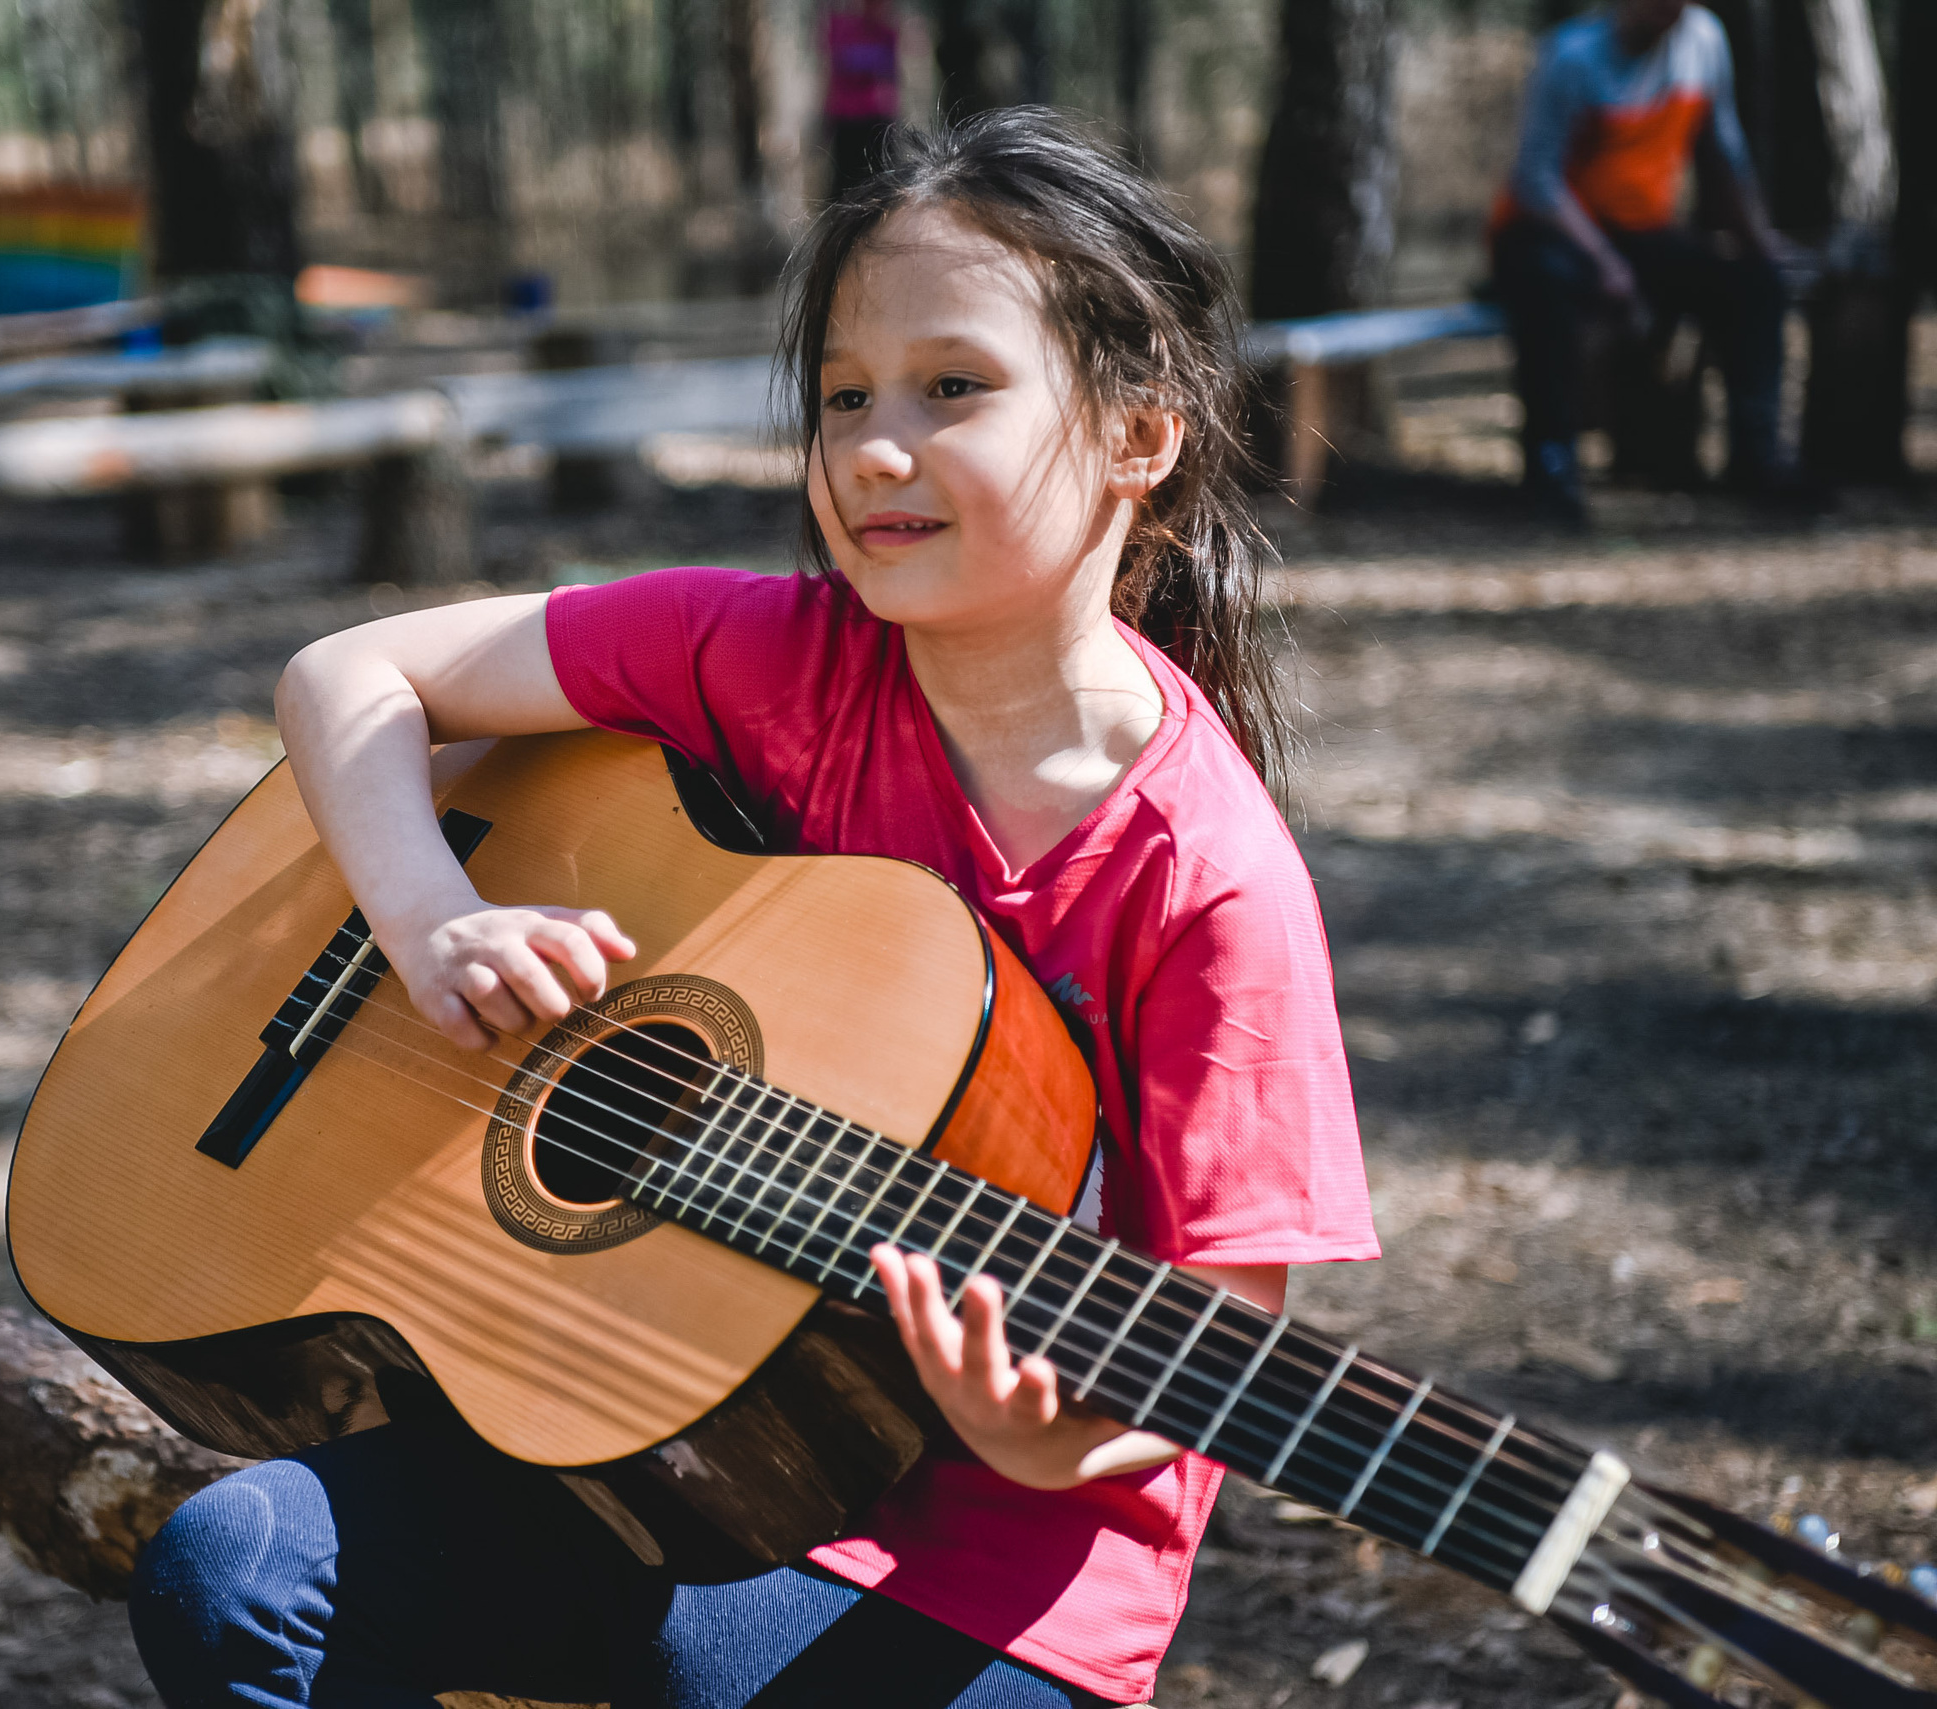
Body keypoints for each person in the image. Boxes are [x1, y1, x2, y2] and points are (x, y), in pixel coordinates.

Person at [129, 109, 1380, 1709]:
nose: (873, 445)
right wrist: (429, 914)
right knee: (234, 1574)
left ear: (1140, 438)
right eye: (845, 395)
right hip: (649, 1414)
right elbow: (351, 673)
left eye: (954, 388)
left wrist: (1047, 1426)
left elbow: (1225, 1345)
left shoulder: (1208, 876)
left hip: (998, 1577)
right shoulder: (770, 659)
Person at [1491, 0, 1792, 527]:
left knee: (1754, 284)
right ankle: (1552, 461)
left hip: (1641, 232)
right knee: (1546, 290)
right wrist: (1604, 261)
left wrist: (1759, 242)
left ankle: (1757, 455)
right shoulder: (1571, 57)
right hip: (1548, 232)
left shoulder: (1703, 42)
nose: (1664, 14)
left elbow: (1724, 151)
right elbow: (1536, 179)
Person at [826, 0, 902, 201]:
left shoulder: (888, 33)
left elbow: (888, 71)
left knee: (881, 181)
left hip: (877, 119)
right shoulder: (841, 26)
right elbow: (842, 62)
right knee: (845, 181)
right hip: (846, 119)